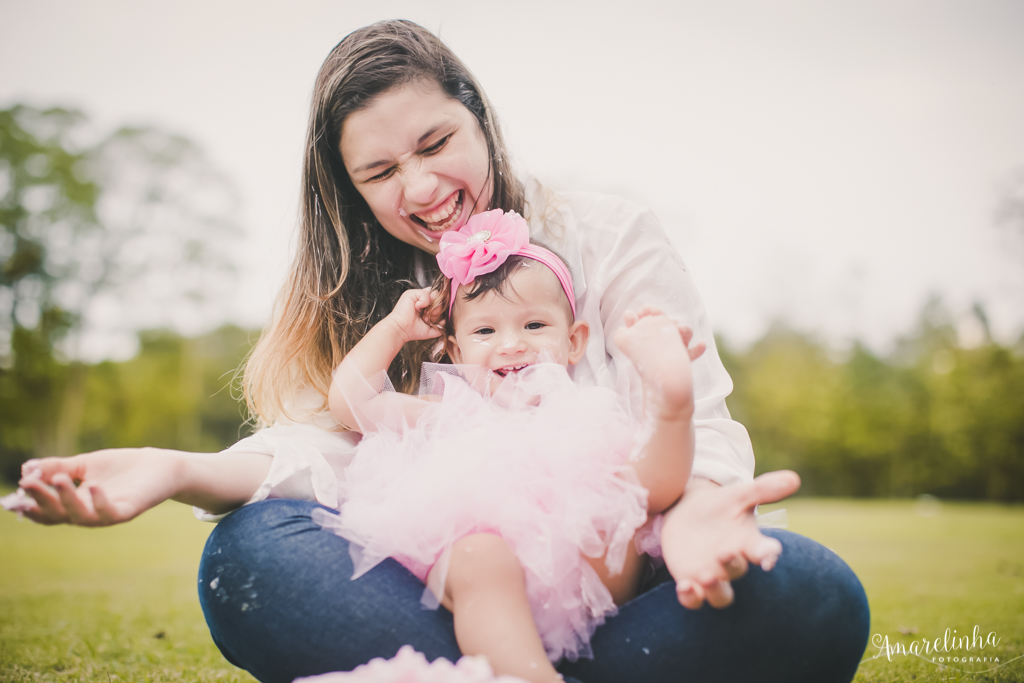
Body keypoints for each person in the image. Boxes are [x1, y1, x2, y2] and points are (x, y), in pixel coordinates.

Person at [4, 19, 870, 683]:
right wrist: (173, 467)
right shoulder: (363, 291)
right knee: (250, 551)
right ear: (347, 189)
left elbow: (687, 421)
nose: (421, 189)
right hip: (463, 591)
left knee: (808, 588)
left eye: (435, 144)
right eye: (379, 173)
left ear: (479, 120)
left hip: (635, 587)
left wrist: (695, 523)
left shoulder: (609, 235)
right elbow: (333, 443)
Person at [319, 208, 708, 682]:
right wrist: (398, 328)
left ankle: (670, 404)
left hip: (597, 589)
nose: (511, 345)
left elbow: (654, 491)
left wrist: (661, 420)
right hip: (497, 588)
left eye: (534, 326)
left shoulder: (587, 413)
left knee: (635, 495)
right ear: (456, 353)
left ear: (575, 342)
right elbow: (351, 400)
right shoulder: (451, 413)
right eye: (485, 331)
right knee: (477, 557)